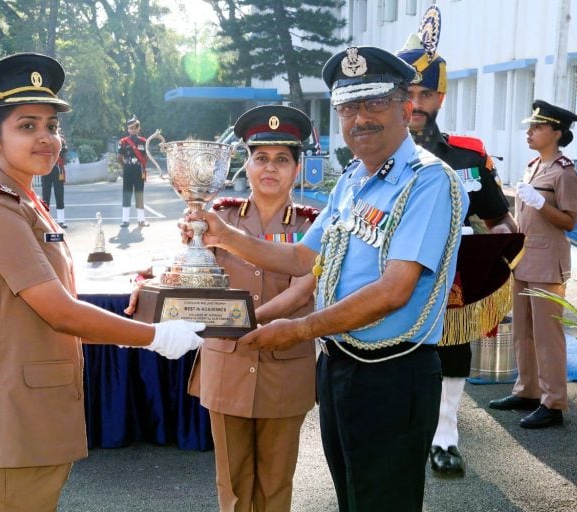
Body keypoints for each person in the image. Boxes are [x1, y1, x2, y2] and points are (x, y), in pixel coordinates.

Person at [184, 46, 468, 511]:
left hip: (393, 373)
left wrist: (299, 330)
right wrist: (225, 236)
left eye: (374, 103)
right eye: (348, 107)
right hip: (340, 364)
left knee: (383, 502)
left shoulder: (428, 181)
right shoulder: (354, 180)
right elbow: (301, 256)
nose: (360, 118)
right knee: (353, 499)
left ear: (406, 108)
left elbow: (394, 290)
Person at [0, 53, 205, 512]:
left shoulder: (24, 202)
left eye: (51, 125)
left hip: (34, 411)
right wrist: (155, 336)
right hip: (12, 418)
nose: (46, 138)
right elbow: (60, 311)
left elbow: (59, 298)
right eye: (27, 126)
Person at [396, 5, 517, 477]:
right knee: (394, 353)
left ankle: (445, 437)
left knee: (450, 353)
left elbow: (500, 220)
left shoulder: (468, 157)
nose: (418, 102)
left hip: (450, 280)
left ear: (440, 97)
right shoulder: (369, 153)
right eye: (409, 91)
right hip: (389, 275)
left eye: (427, 92)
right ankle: (402, 433)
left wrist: (504, 267)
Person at [186, 105, 318, 512]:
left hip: (284, 364)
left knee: (276, 484)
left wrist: (243, 321)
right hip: (227, 362)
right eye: (260, 158)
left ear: (297, 169)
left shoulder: (313, 225)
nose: (270, 168)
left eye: (282, 159)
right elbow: (193, 277)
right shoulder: (218, 217)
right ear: (246, 165)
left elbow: (300, 292)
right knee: (233, 484)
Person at [489, 100, 577, 429]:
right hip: (524, 259)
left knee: (548, 335)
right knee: (524, 332)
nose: (529, 131)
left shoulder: (564, 171)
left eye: (538, 127)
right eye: (530, 126)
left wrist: (541, 202)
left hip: (547, 263)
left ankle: (553, 401)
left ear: (557, 132)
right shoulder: (532, 166)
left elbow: (569, 221)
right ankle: (527, 390)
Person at [117, 116, 148, 228]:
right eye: (131, 128)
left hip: (139, 170)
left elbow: (146, 156)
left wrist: (142, 165)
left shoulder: (144, 141)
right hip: (128, 169)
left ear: (139, 129)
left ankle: (141, 220)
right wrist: (125, 165)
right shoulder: (123, 142)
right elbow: (119, 157)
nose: (134, 130)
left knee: (139, 194)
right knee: (127, 193)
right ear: (128, 129)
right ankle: (125, 220)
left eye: (136, 128)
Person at [41, 132, 67, 228]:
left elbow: (64, 151)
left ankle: (61, 220)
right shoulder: (43, 139)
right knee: (45, 196)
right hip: (46, 169)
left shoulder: (61, 140)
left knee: (59, 195)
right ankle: (45, 220)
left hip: (57, 170)